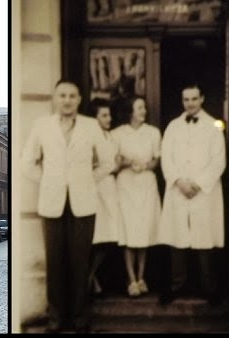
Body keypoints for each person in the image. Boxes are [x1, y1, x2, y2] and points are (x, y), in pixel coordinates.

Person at [21, 79, 111, 333]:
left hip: (84, 204)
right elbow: (27, 162)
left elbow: (107, 162)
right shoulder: (42, 126)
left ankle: (81, 320)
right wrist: (49, 180)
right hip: (52, 204)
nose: (67, 100)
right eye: (62, 95)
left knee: (80, 263)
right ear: (55, 98)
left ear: (79, 99)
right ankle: (56, 320)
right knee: (55, 262)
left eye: (72, 95)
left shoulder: (91, 126)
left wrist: (85, 181)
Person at [157, 83, 225, 305]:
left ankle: (210, 288)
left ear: (202, 99)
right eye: (186, 99)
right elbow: (166, 157)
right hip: (178, 190)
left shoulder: (214, 126)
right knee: (178, 238)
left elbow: (218, 161)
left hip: (203, 192)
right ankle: (177, 285)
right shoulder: (173, 126)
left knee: (204, 239)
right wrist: (178, 181)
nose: (190, 104)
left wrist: (197, 184)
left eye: (194, 99)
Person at [113, 96, 162, 297]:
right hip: (126, 186)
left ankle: (141, 277)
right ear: (130, 111)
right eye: (139, 107)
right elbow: (114, 162)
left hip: (146, 184)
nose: (144, 111)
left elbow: (156, 160)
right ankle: (130, 278)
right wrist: (126, 163)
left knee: (144, 231)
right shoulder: (117, 134)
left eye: (144, 107)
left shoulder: (153, 132)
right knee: (128, 232)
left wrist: (144, 165)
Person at [87, 98, 121, 298]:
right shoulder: (90, 139)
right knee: (97, 239)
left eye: (109, 115)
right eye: (104, 115)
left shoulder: (110, 136)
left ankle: (94, 279)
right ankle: (90, 280)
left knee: (110, 238)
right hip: (96, 191)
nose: (109, 118)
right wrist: (111, 166)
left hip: (111, 190)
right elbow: (90, 169)